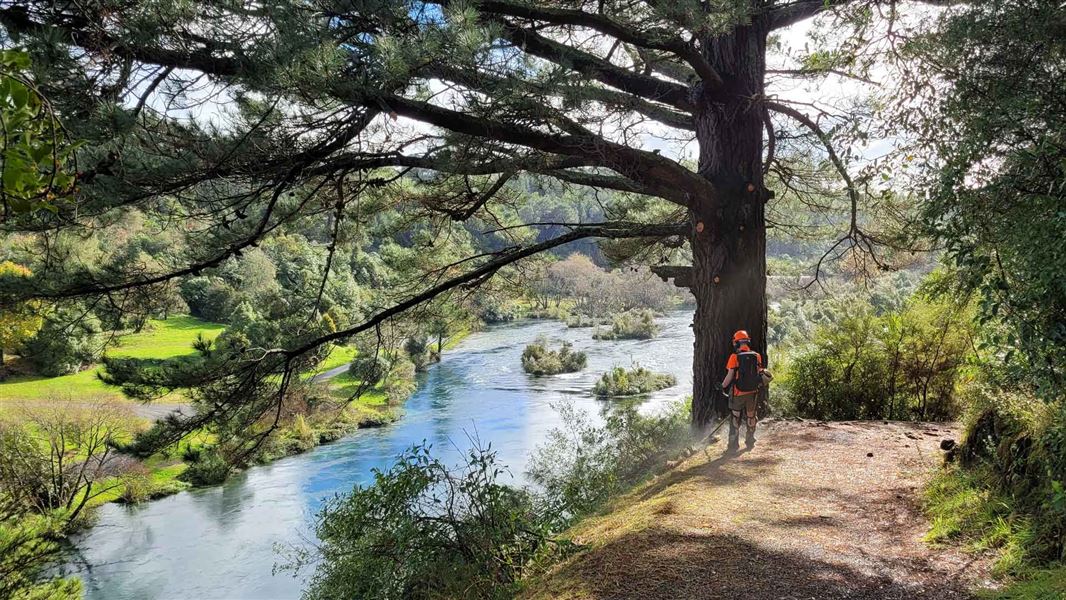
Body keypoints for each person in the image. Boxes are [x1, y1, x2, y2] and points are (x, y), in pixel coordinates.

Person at [720, 330, 772, 450]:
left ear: (736, 343)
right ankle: (750, 440)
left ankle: (733, 445)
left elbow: (730, 375)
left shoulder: (734, 357)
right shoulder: (757, 356)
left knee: (735, 416)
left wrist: (722, 386)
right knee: (751, 416)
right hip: (753, 392)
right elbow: (760, 372)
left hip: (738, 392)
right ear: (747, 342)